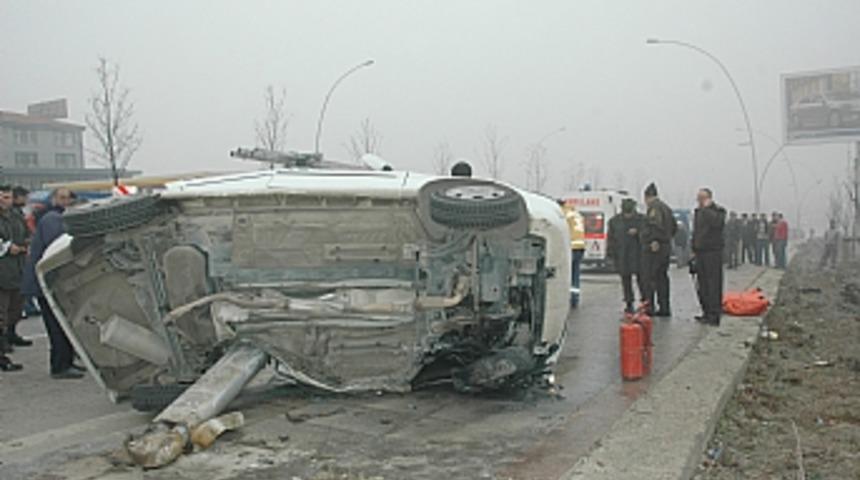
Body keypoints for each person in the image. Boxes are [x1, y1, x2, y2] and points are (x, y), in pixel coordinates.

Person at [21, 188, 83, 379]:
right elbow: (57, 248)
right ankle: (60, 365)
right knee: (57, 324)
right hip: (47, 282)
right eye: (61, 197)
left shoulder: (54, 218)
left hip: (48, 280)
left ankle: (66, 361)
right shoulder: (53, 220)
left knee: (62, 323)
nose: (65, 201)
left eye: (67, 198)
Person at [0, 185, 29, 372]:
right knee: (1, 314)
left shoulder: (17, 217)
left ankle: (10, 336)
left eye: (7, 197)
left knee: (15, 309)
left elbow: (27, 234)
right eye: (2, 197)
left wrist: (26, 243)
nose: (5, 201)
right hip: (2, 272)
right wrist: (7, 247)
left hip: (17, 270)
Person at [640, 183, 676, 316]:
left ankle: (650, 307)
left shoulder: (654, 208)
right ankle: (664, 307)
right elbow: (674, 227)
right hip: (665, 247)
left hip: (654, 248)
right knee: (662, 278)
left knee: (649, 278)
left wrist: (654, 240)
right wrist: (667, 239)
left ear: (647, 197)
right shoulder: (667, 208)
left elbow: (654, 225)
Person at [692, 188, 726, 326]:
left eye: (702, 198)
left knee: (713, 284)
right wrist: (693, 249)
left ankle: (714, 314)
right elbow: (696, 232)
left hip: (713, 252)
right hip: (700, 252)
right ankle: (706, 312)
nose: (699, 201)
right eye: (698, 198)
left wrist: (707, 209)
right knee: (702, 285)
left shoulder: (718, 211)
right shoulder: (698, 212)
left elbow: (717, 223)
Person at [607, 198, 645, 313]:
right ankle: (629, 303)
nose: (628, 215)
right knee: (625, 280)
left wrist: (638, 232)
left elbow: (648, 234)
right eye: (626, 213)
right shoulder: (614, 221)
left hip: (639, 255)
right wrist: (611, 255)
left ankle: (645, 302)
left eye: (630, 212)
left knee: (642, 280)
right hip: (622, 255)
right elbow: (611, 239)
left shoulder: (642, 220)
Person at [558, 200, 586, 307]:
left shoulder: (563, 214)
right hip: (580, 246)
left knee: (564, 274)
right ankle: (575, 298)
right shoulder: (576, 213)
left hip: (571, 246)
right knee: (575, 273)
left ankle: (564, 298)